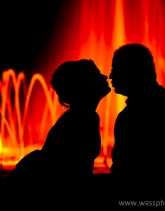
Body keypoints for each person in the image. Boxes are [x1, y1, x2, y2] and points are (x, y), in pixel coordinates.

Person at [3, 59, 111, 206]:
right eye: (97, 75)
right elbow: (71, 176)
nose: (105, 77)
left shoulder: (81, 115)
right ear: (84, 85)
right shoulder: (82, 118)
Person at [109, 43, 165, 202]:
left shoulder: (131, 116)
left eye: (115, 70)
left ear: (133, 72)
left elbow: (124, 170)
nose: (111, 77)